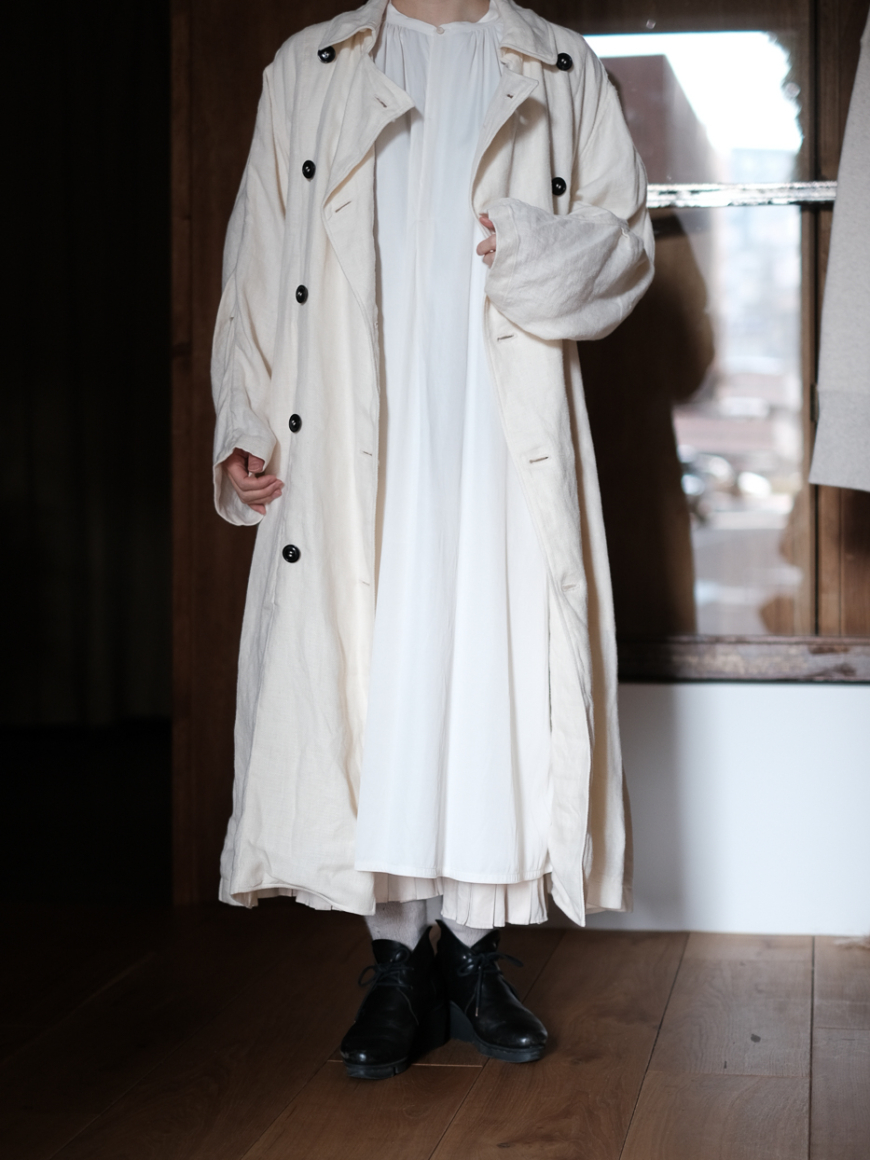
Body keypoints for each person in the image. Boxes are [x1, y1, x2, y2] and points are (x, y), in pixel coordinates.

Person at [212, 0, 653, 1080]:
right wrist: (244, 423)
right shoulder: (310, 64)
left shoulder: (560, 62)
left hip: (498, 422)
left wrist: (535, 248)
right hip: (350, 416)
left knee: (488, 671)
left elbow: (626, 245)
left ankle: (473, 952)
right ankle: (397, 963)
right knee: (382, 673)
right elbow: (259, 255)